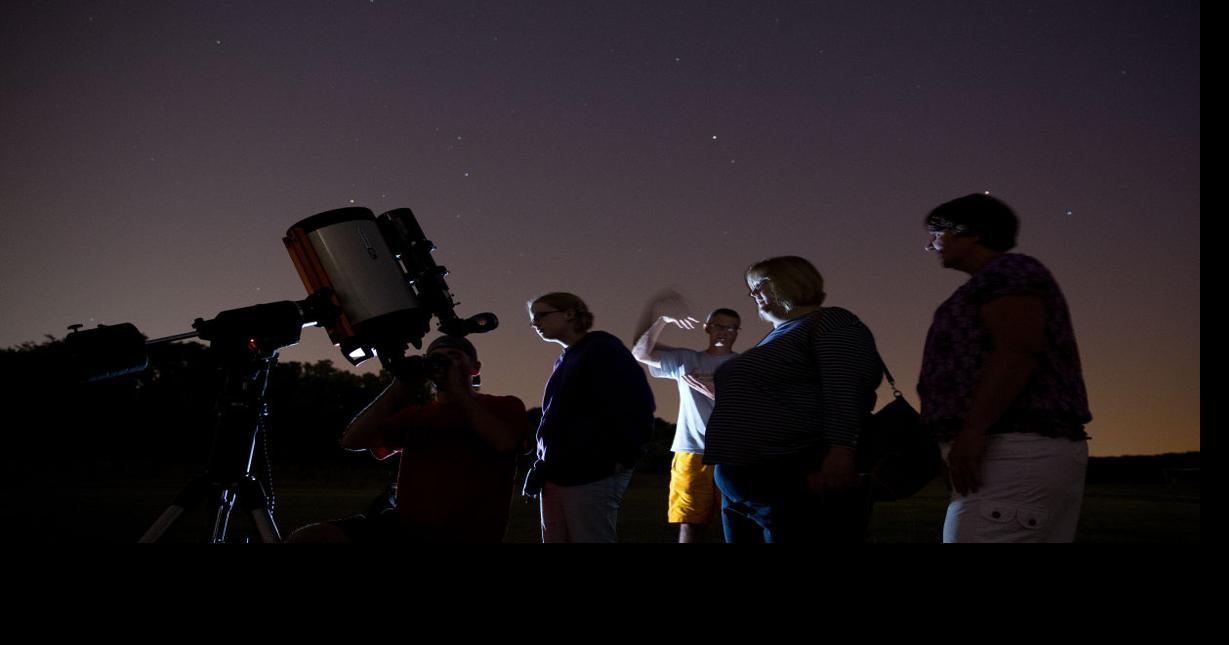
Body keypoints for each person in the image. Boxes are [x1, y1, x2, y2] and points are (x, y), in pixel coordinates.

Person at [919, 193, 1092, 543]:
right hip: (1007, 449)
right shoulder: (994, 280)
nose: (932, 244)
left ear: (971, 233)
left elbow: (1016, 351)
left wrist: (972, 432)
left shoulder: (1010, 272)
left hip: (1012, 448)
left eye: (938, 233)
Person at [703, 256, 883, 542]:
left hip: (790, 475)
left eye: (758, 285)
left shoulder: (832, 321)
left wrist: (841, 451)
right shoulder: (776, 336)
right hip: (743, 482)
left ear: (790, 281)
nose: (752, 295)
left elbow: (846, 387)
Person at [285, 335, 528, 543]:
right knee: (313, 537)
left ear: (475, 367)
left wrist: (460, 393)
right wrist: (399, 386)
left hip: (467, 532)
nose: (444, 362)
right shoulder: (418, 416)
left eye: (454, 355)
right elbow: (352, 440)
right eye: (436, 357)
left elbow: (505, 443)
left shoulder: (503, 405)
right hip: (405, 526)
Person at [524, 292, 656, 543]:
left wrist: (624, 455)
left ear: (569, 314)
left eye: (541, 315)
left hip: (591, 472)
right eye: (533, 320)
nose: (536, 324)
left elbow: (636, 404)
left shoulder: (602, 348)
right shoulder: (565, 359)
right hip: (557, 473)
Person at [631, 290, 740, 543]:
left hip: (734, 453)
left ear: (738, 332)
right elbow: (640, 353)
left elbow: (755, 410)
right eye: (719, 326)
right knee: (690, 524)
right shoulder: (686, 359)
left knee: (738, 522)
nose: (724, 332)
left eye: (732, 328)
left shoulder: (745, 364)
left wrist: (716, 392)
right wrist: (662, 321)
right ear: (707, 328)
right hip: (691, 451)